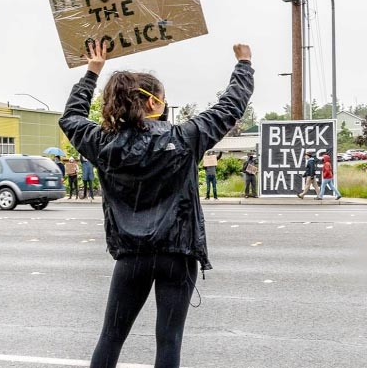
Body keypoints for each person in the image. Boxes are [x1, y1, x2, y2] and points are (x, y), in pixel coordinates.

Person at [59, 40, 254, 367]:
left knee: (111, 336)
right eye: (162, 96)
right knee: (169, 339)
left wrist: (92, 71)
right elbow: (230, 107)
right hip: (177, 254)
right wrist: (243, 65)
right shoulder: (185, 138)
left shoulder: (102, 143)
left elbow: (72, 117)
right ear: (153, 102)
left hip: (130, 256)